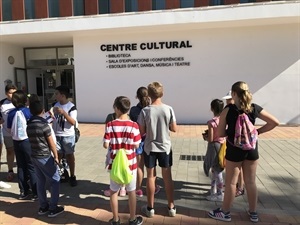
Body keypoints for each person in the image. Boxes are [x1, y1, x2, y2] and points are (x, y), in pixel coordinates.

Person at [208, 81, 279, 223]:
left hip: (234, 150)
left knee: (232, 183)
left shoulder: (228, 110)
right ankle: (253, 213)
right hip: (252, 149)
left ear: (234, 94)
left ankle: (225, 212)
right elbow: (274, 122)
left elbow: (221, 133)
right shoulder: (254, 108)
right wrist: (257, 132)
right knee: (251, 182)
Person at [137, 81, 177, 218]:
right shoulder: (169, 109)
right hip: (165, 147)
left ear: (149, 94)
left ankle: (150, 208)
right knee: (167, 177)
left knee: (151, 177)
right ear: (162, 93)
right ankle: (171, 207)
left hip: (150, 148)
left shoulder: (145, 111)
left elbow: (141, 131)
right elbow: (174, 128)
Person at [103, 96, 143, 225]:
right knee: (131, 191)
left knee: (114, 191)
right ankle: (132, 218)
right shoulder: (134, 125)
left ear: (117, 108)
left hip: (115, 164)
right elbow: (137, 145)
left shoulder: (110, 125)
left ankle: (115, 219)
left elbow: (105, 144)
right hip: (130, 164)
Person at [27, 101, 64, 217]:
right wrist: (56, 157)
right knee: (55, 180)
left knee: (41, 181)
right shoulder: (44, 125)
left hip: (34, 156)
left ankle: (43, 206)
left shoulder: (29, 124)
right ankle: (53, 208)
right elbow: (51, 143)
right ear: (42, 111)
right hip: (45, 156)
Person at [129, 86, 160, 197]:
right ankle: (154, 186)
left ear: (137, 96)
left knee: (139, 166)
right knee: (151, 166)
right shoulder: (153, 109)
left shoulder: (133, 110)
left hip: (138, 140)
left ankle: (138, 188)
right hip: (151, 140)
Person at [7, 90, 37, 200]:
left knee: (21, 166)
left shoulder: (11, 113)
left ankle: (23, 191)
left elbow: (9, 129)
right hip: (27, 141)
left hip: (16, 141)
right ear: (25, 100)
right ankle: (36, 192)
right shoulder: (28, 112)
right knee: (31, 166)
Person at [52, 85, 78, 187]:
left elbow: (72, 122)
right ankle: (60, 174)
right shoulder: (54, 105)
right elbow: (51, 118)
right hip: (56, 134)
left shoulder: (71, 107)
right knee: (57, 155)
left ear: (62, 95)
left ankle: (72, 176)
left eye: (57, 94)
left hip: (67, 135)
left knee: (69, 156)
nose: (55, 95)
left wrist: (64, 113)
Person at [222, 91, 245, 197]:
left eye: (229, 99)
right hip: (241, 142)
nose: (227, 101)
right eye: (227, 99)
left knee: (237, 169)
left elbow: (222, 130)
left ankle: (239, 187)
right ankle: (239, 186)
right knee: (239, 169)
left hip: (236, 143)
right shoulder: (244, 108)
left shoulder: (230, 110)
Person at [203, 99, 225, 202]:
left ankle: (218, 193)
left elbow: (211, 139)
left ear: (212, 108)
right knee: (217, 168)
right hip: (223, 145)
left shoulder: (212, 122)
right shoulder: (224, 120)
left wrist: (205, 137)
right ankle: (215, 191)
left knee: (216, 169)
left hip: (214, 146)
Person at [103, 112, 126, 197]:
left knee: (113, 169)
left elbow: (106, 144)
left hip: (113, 151)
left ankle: (113, 189)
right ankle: (123, 188)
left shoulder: (110, 121)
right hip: (125, 152)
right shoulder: (128, 121)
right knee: (123, 168)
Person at [0, 84, 17, 181]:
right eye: (11, 93)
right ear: (6, 93)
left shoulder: (20, 102)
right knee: (10, 151)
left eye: (14, 93)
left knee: (20, 153)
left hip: (20, 133)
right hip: (7, 133)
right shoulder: (2, 103)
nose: (13, 95)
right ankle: (10, 171)